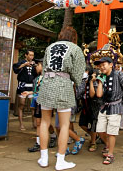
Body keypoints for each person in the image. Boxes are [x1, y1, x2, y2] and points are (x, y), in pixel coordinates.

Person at [36, 27, 85, 171]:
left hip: (47, 84)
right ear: (73, 37)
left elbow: (44, 67)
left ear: (61, 35)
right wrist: (75, 82)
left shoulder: (50, 47)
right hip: (64, 85)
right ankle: (60, 160)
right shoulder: (75, 48)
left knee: (45, 122)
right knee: (64, 125)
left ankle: (44, 159)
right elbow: (78, 73)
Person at [93, 57, 123, 165]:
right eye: (100, 65)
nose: (102, 67)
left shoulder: (118, 75)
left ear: (111, 64)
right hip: (104, 107)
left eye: (104, 64)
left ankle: (110, 154)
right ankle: (107, 145)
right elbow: (99, 94)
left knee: (111, 132)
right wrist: (100, 81)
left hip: (116, 106)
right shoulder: (100, 77)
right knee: (100, 130)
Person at [21, 59, 56, 152]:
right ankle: (38, 142)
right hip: (37, 102)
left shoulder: (49, 78)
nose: (36, 67)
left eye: (37, 65)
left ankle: (52, 135)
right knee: (38, 122)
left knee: (45, 122)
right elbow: (36, 90)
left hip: (45, 101)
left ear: (42, 65)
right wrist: (29, 92)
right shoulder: (36, 79)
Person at [13, 50, 38, 130]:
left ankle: (34, 124)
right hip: (23, 85)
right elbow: (16, 70)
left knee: (33, 105)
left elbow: (38, 73)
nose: (31, 57)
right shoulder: (21, 62)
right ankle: (21, 124)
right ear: (26, 55)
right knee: (22, 104)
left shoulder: (34, 63)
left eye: (32, 55)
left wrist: (35, 66)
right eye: (30, 55)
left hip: (31, 85)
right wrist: (24, 65)